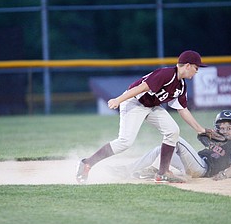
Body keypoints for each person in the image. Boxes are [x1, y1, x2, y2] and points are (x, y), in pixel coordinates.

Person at [76, 50, 209, 184]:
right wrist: (118, 99)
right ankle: (87, 163)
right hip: (134, 102)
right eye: (196, 68)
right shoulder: (167, 74)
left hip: (151, 106)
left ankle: (163, 173)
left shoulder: (181, 86)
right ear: (187, 65)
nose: (196, 71)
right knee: (124, 142)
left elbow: (183, 110)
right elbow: (141, 87)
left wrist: (200, 130)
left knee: (173, 130)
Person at [117, 110, 231, 181]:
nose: (225, 130)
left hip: (203, 169)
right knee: (160, 150)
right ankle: (128, 170)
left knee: (175, 138)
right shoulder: (214, 140)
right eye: (222, 127)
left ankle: (160, 171)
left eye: (229, 128)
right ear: (216, 128)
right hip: (190, 166)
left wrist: (224, 175)